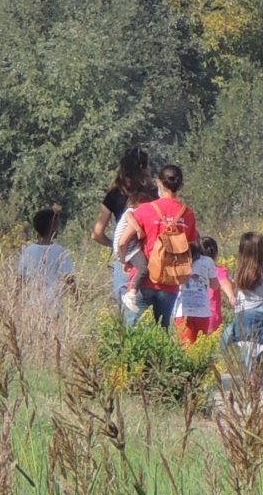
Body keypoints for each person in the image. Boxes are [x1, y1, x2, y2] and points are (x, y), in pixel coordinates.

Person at [112, 162, 200, 329]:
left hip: (143, 280)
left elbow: (123, 241)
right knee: (162, 331)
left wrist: (124, 261)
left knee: (134, 330)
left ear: (159, 182)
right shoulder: (188, 214)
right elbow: (190, 246)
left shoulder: (145, 209)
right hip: (170, 282)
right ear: (180, 185)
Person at [93, 146, 154, 317]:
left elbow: (97, 233)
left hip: (124, 258)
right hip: (149, 256)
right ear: (143, 168)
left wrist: (116, 246)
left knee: (127, 310)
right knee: (150, 312)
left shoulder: (114, 194)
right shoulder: (152, 194)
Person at [220, 229, 263, 371]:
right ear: (260, 251)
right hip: (262, 313)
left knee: (246, 342)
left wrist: (231, 295)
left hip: (242, 314)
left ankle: (224, 347)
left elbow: (231, 283)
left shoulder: (239, 269)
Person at [17, 205, 76, 305]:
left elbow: (20, 280)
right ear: (53, 227)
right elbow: (69, 279)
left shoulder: (28, 251)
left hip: (32, 305)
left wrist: (14, 302)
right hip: (53, 305)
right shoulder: (60, 251)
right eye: (57, 225)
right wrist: (76, 300)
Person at [172, 232, 220, 347]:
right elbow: (215, 285)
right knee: (200, 349)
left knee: (186, 348)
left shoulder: (177, 260)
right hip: (202, 310)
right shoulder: (208, 261)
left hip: (181, 310)